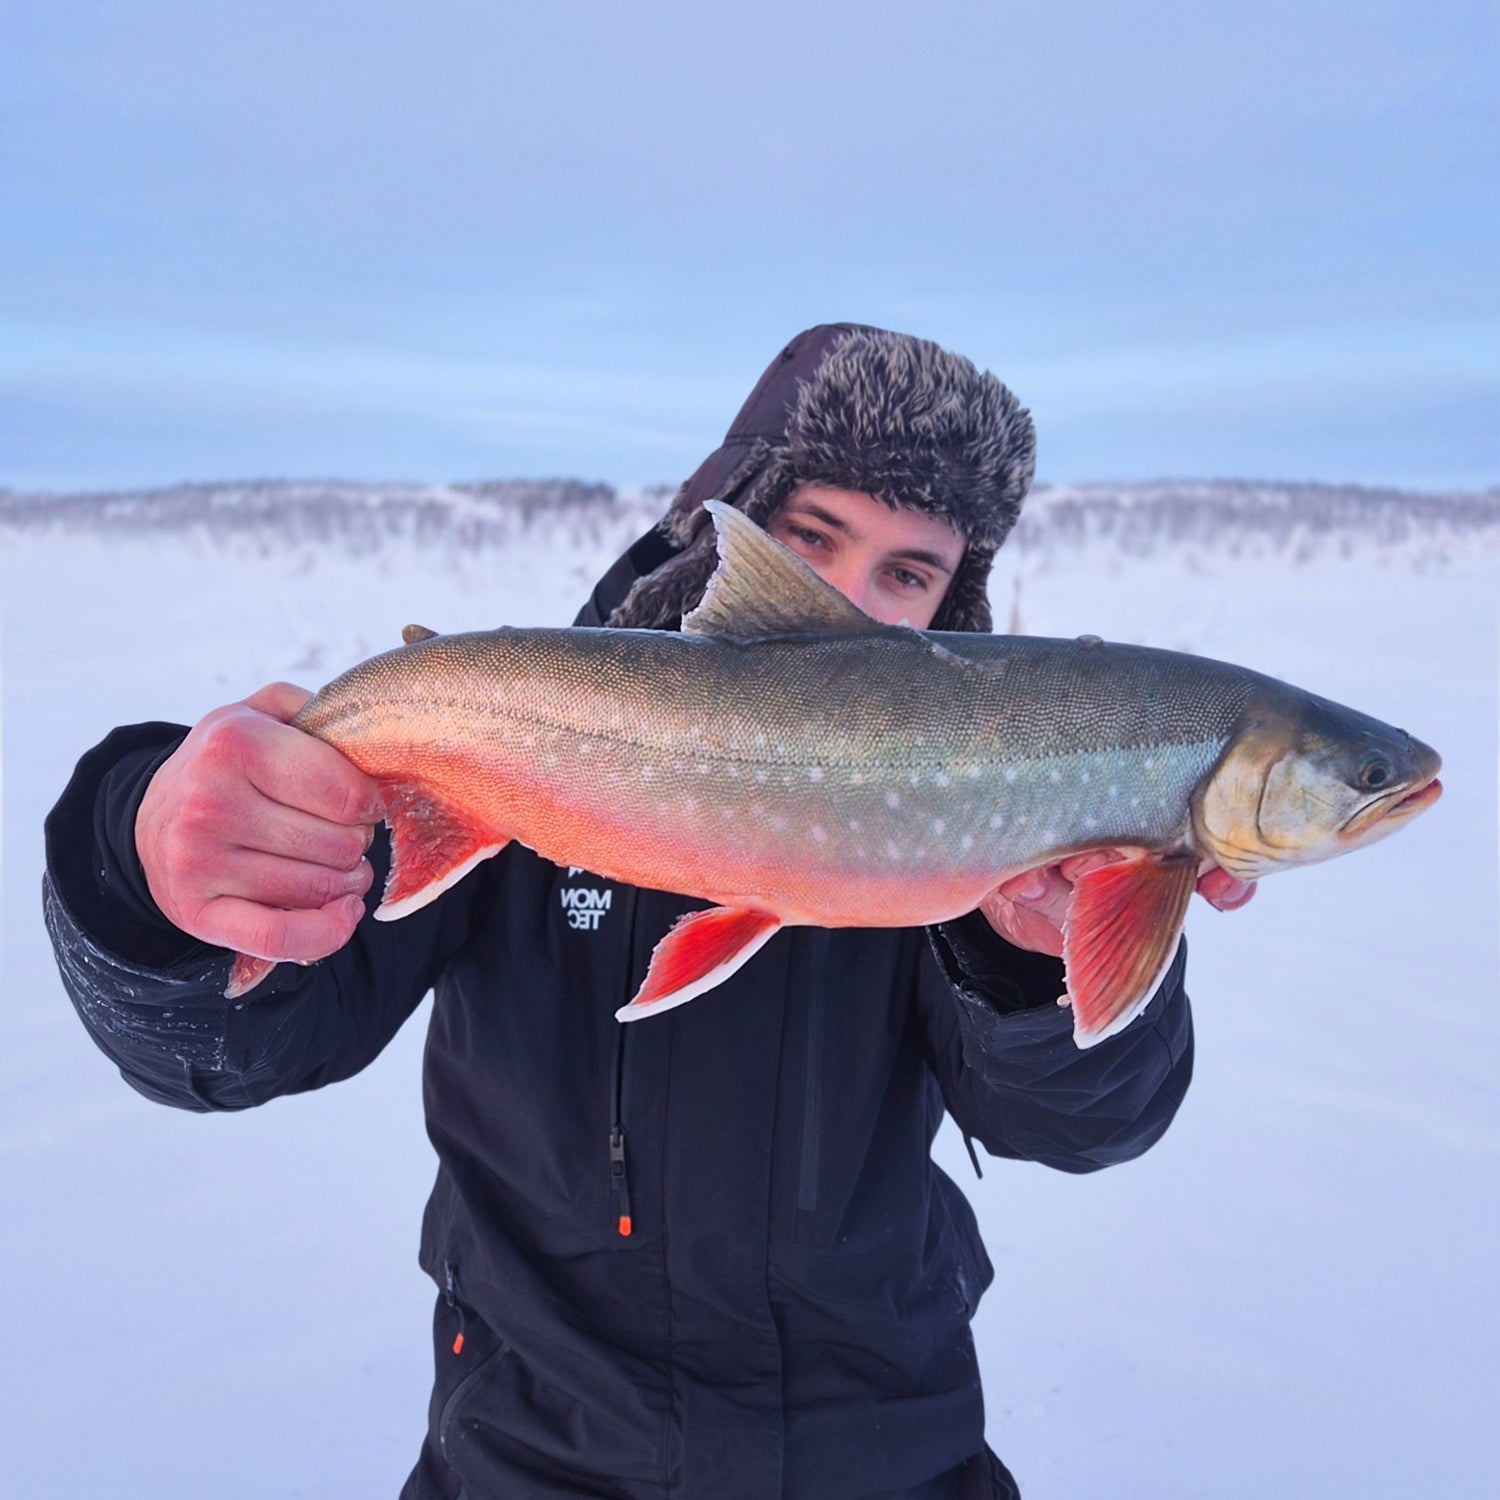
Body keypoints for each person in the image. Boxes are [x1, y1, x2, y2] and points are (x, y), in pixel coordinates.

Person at [43, 324, 1252, 1499]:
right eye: (811, 538)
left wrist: (1034, 969)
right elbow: (231, 1045)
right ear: (723, 533)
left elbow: (1089, 1123)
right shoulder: (525, 731)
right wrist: (141, 855)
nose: (852, 597)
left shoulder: (977, 838)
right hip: (529, 1460)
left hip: (887, 1458)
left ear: (952, 603)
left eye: (908, 573)